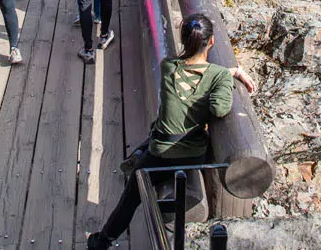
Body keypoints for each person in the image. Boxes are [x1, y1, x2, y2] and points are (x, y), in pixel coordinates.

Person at [86, 14, 256, 250]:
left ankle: (103, 240)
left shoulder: (168, 67)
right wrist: (231, 74)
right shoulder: (216, 76)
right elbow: (220, 108)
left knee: (132, 192)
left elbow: (188, 68)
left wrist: (224, 74)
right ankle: (140, 154)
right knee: (165, 145)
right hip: (193, 155)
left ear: (184, 39)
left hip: (159, 152)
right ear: (212, 42)